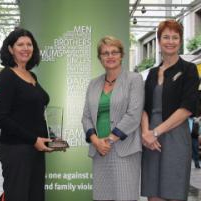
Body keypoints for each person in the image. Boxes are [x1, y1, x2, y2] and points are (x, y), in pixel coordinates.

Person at [141, 20, 200, 201]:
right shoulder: (151, 73)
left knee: (174, 191)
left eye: (175, 37)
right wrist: (146, 133)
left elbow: (188, 108)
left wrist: (156, 132)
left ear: (180, 41)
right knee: (153, 194)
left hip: (175, 137)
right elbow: (144, 107)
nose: (170, 41)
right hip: (151, 140)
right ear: (159, 41)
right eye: (166, 37)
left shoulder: (189, 69)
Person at [0, 28, 53, 201]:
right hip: (16, 149)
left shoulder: (31, 75)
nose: (26, 48)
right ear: (11, 49)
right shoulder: (7, 76)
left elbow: (31, 112)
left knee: (35, 196)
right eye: (20, 44)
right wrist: (34, 139)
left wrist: (48, 136)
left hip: (35, 149)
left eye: (29, 44)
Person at [82, 36, 144, 201]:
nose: (110, 56)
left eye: (114, 52)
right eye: (105, 53)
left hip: (124, 149)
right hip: (99, 150)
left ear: (121, 55)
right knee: (102, 197)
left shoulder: (134, 79)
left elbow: (134, 114)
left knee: (125, 197)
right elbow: (86, 117)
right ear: (100, 58)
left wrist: (108, 140)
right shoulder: (93, 84)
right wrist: (96, 141)